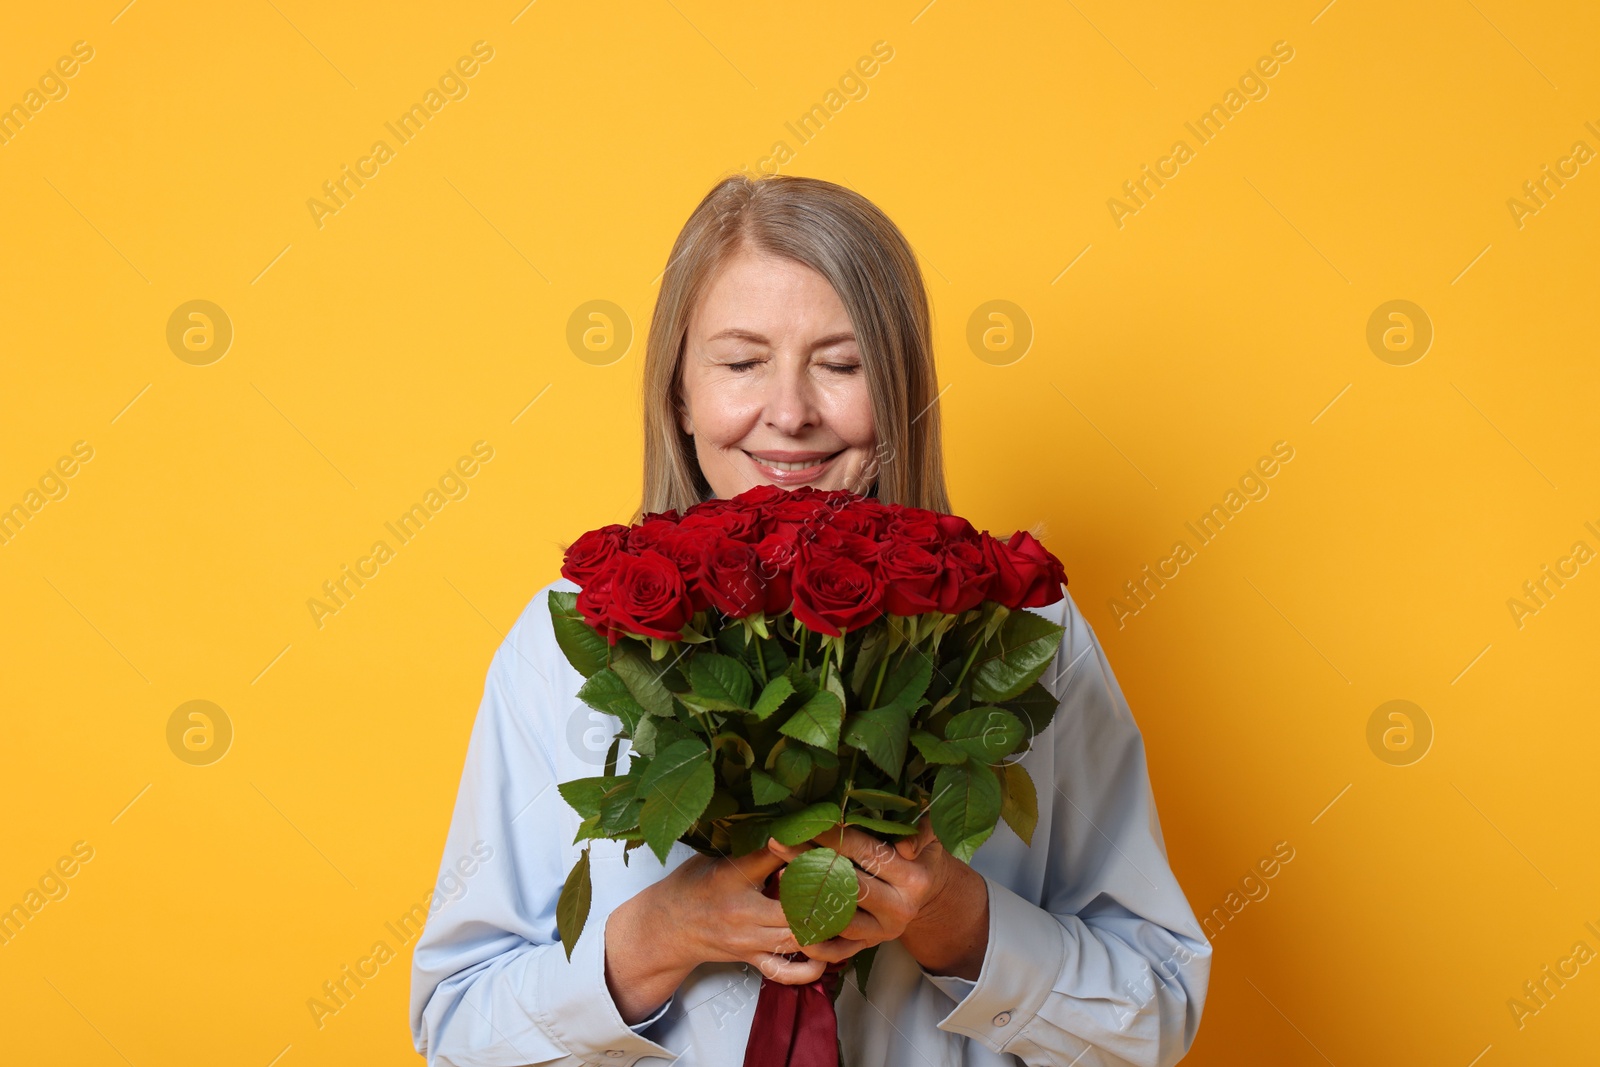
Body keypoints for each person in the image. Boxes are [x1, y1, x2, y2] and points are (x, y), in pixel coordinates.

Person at [409, 174, 1211, 1066]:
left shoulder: (1025, 637)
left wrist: (958, 924)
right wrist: (657, 937)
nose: (789, 414)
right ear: (676, 392)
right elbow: (456, 1029)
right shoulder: (568, 639)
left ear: (902, 390)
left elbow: (1157, 1012)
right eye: (742, 361)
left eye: (841, 363)